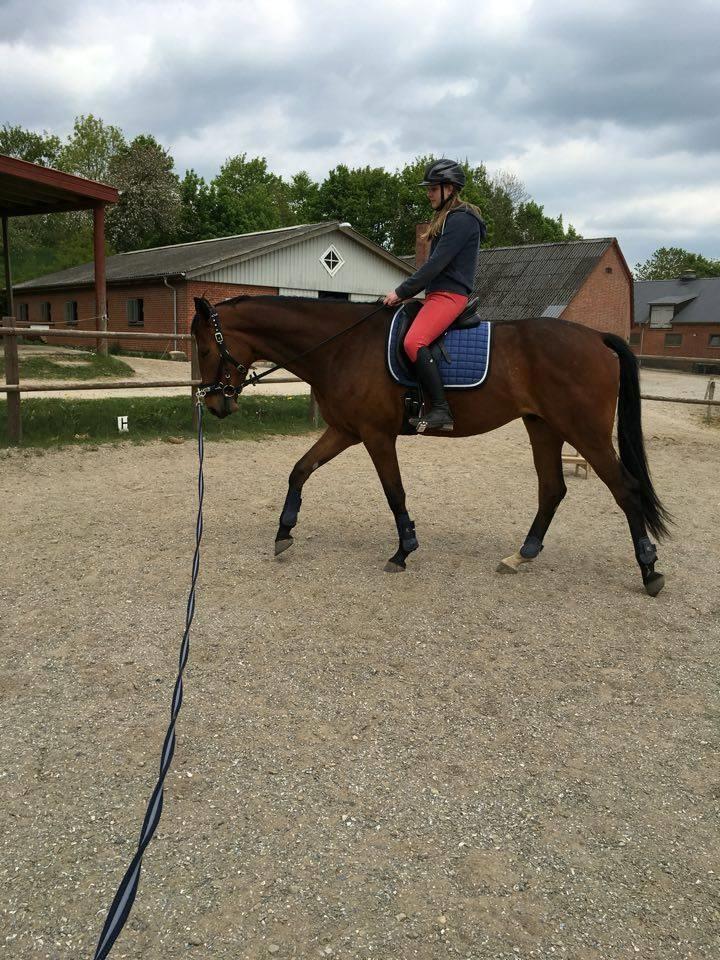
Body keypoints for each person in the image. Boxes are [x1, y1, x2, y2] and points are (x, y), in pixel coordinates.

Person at [384, 159, 486, 431]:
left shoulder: (462, 220)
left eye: (432, 188)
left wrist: (401, 292)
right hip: (436, 295)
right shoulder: (448, 218)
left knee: (413, 341)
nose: (428, 193)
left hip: (450, 296)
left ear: (449, 188)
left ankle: (441, 410)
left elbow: (436, 264)